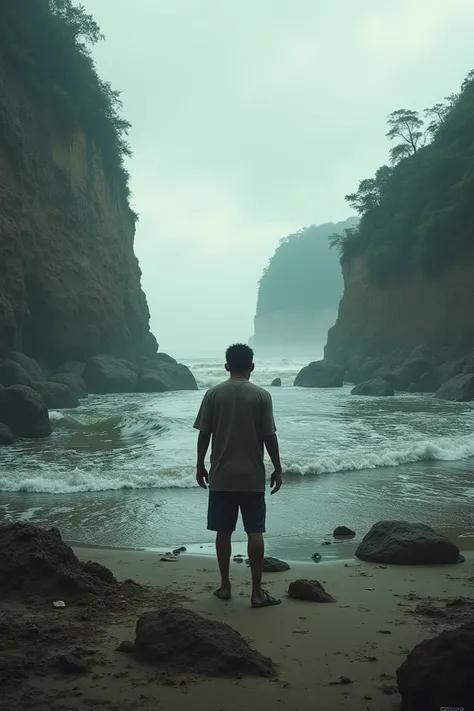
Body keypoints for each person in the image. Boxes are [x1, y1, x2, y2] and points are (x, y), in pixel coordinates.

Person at [193, 343, 283, 608]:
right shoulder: (262, 396)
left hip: (222, 476)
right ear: (251, 366)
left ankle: (224, 587)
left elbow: (204, 433)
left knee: (224, 532)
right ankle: (256, 593)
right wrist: (277, 468)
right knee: (255, 532)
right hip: (252, 477)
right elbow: (270, 436)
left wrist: (200, 465)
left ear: (226, 366)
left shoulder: (213, 394)